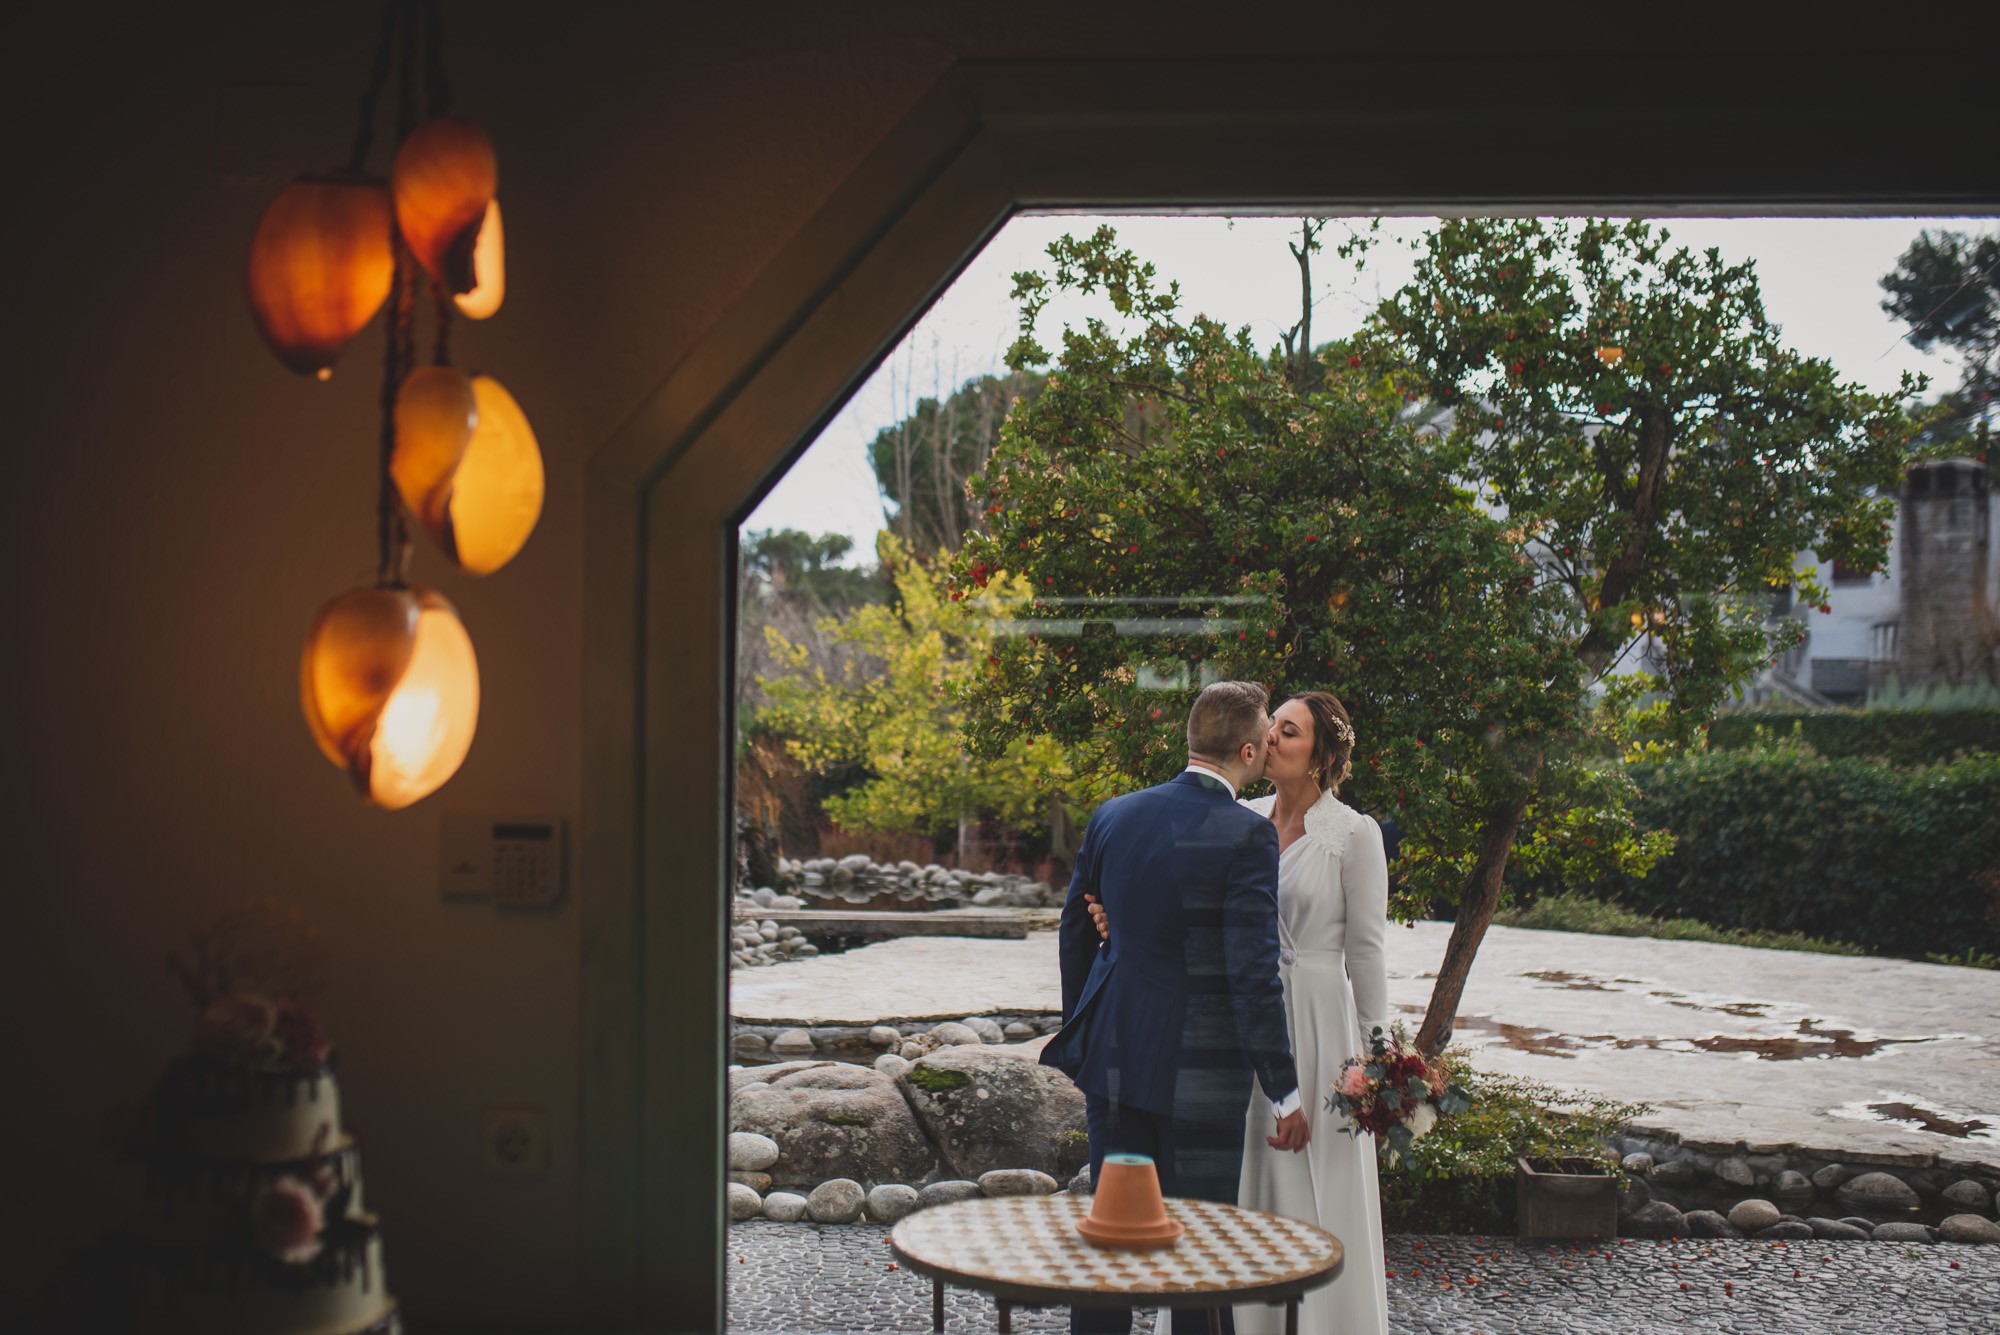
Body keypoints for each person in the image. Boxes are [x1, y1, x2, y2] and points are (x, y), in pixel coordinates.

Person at [1086, 690, 1389, 1335]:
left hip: (1315, 1021)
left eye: (1291, 730)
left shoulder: (1355, 836)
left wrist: (1378, 1058)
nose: (1273, 737)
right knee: (1230, 1179)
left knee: (1311, 1182)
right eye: (1271, 725)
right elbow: (1179, 910)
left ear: (1322, 756)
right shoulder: (1238, 816)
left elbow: (1366, 955)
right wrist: (1122, 925)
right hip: (1231, 1024)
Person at [1041, 679, 1309, 1335]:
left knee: (1110, 1242)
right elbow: (1253, 970)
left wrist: (1093, 1020)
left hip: (1116, 1055)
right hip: (1201, 1072)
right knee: (1196, 1254)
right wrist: (1284, 1089)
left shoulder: (1114, 814)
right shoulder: (1248, 836)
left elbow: (1076, 931)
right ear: (1248, 751)